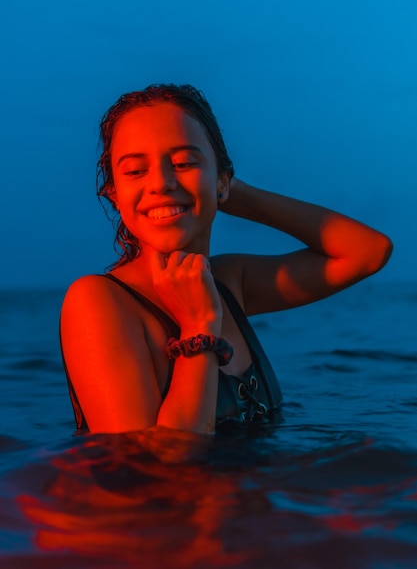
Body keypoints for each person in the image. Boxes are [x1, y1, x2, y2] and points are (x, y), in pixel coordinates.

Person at [60, 83, 393, 435]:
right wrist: (199, 327)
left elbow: (368, 251)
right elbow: (154, 467)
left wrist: (227, 191)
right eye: (135, 171)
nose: (161, 183)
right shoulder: (99, 301)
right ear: (114, 194)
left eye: (183, 162)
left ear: (221, 177)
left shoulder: (229, 282)